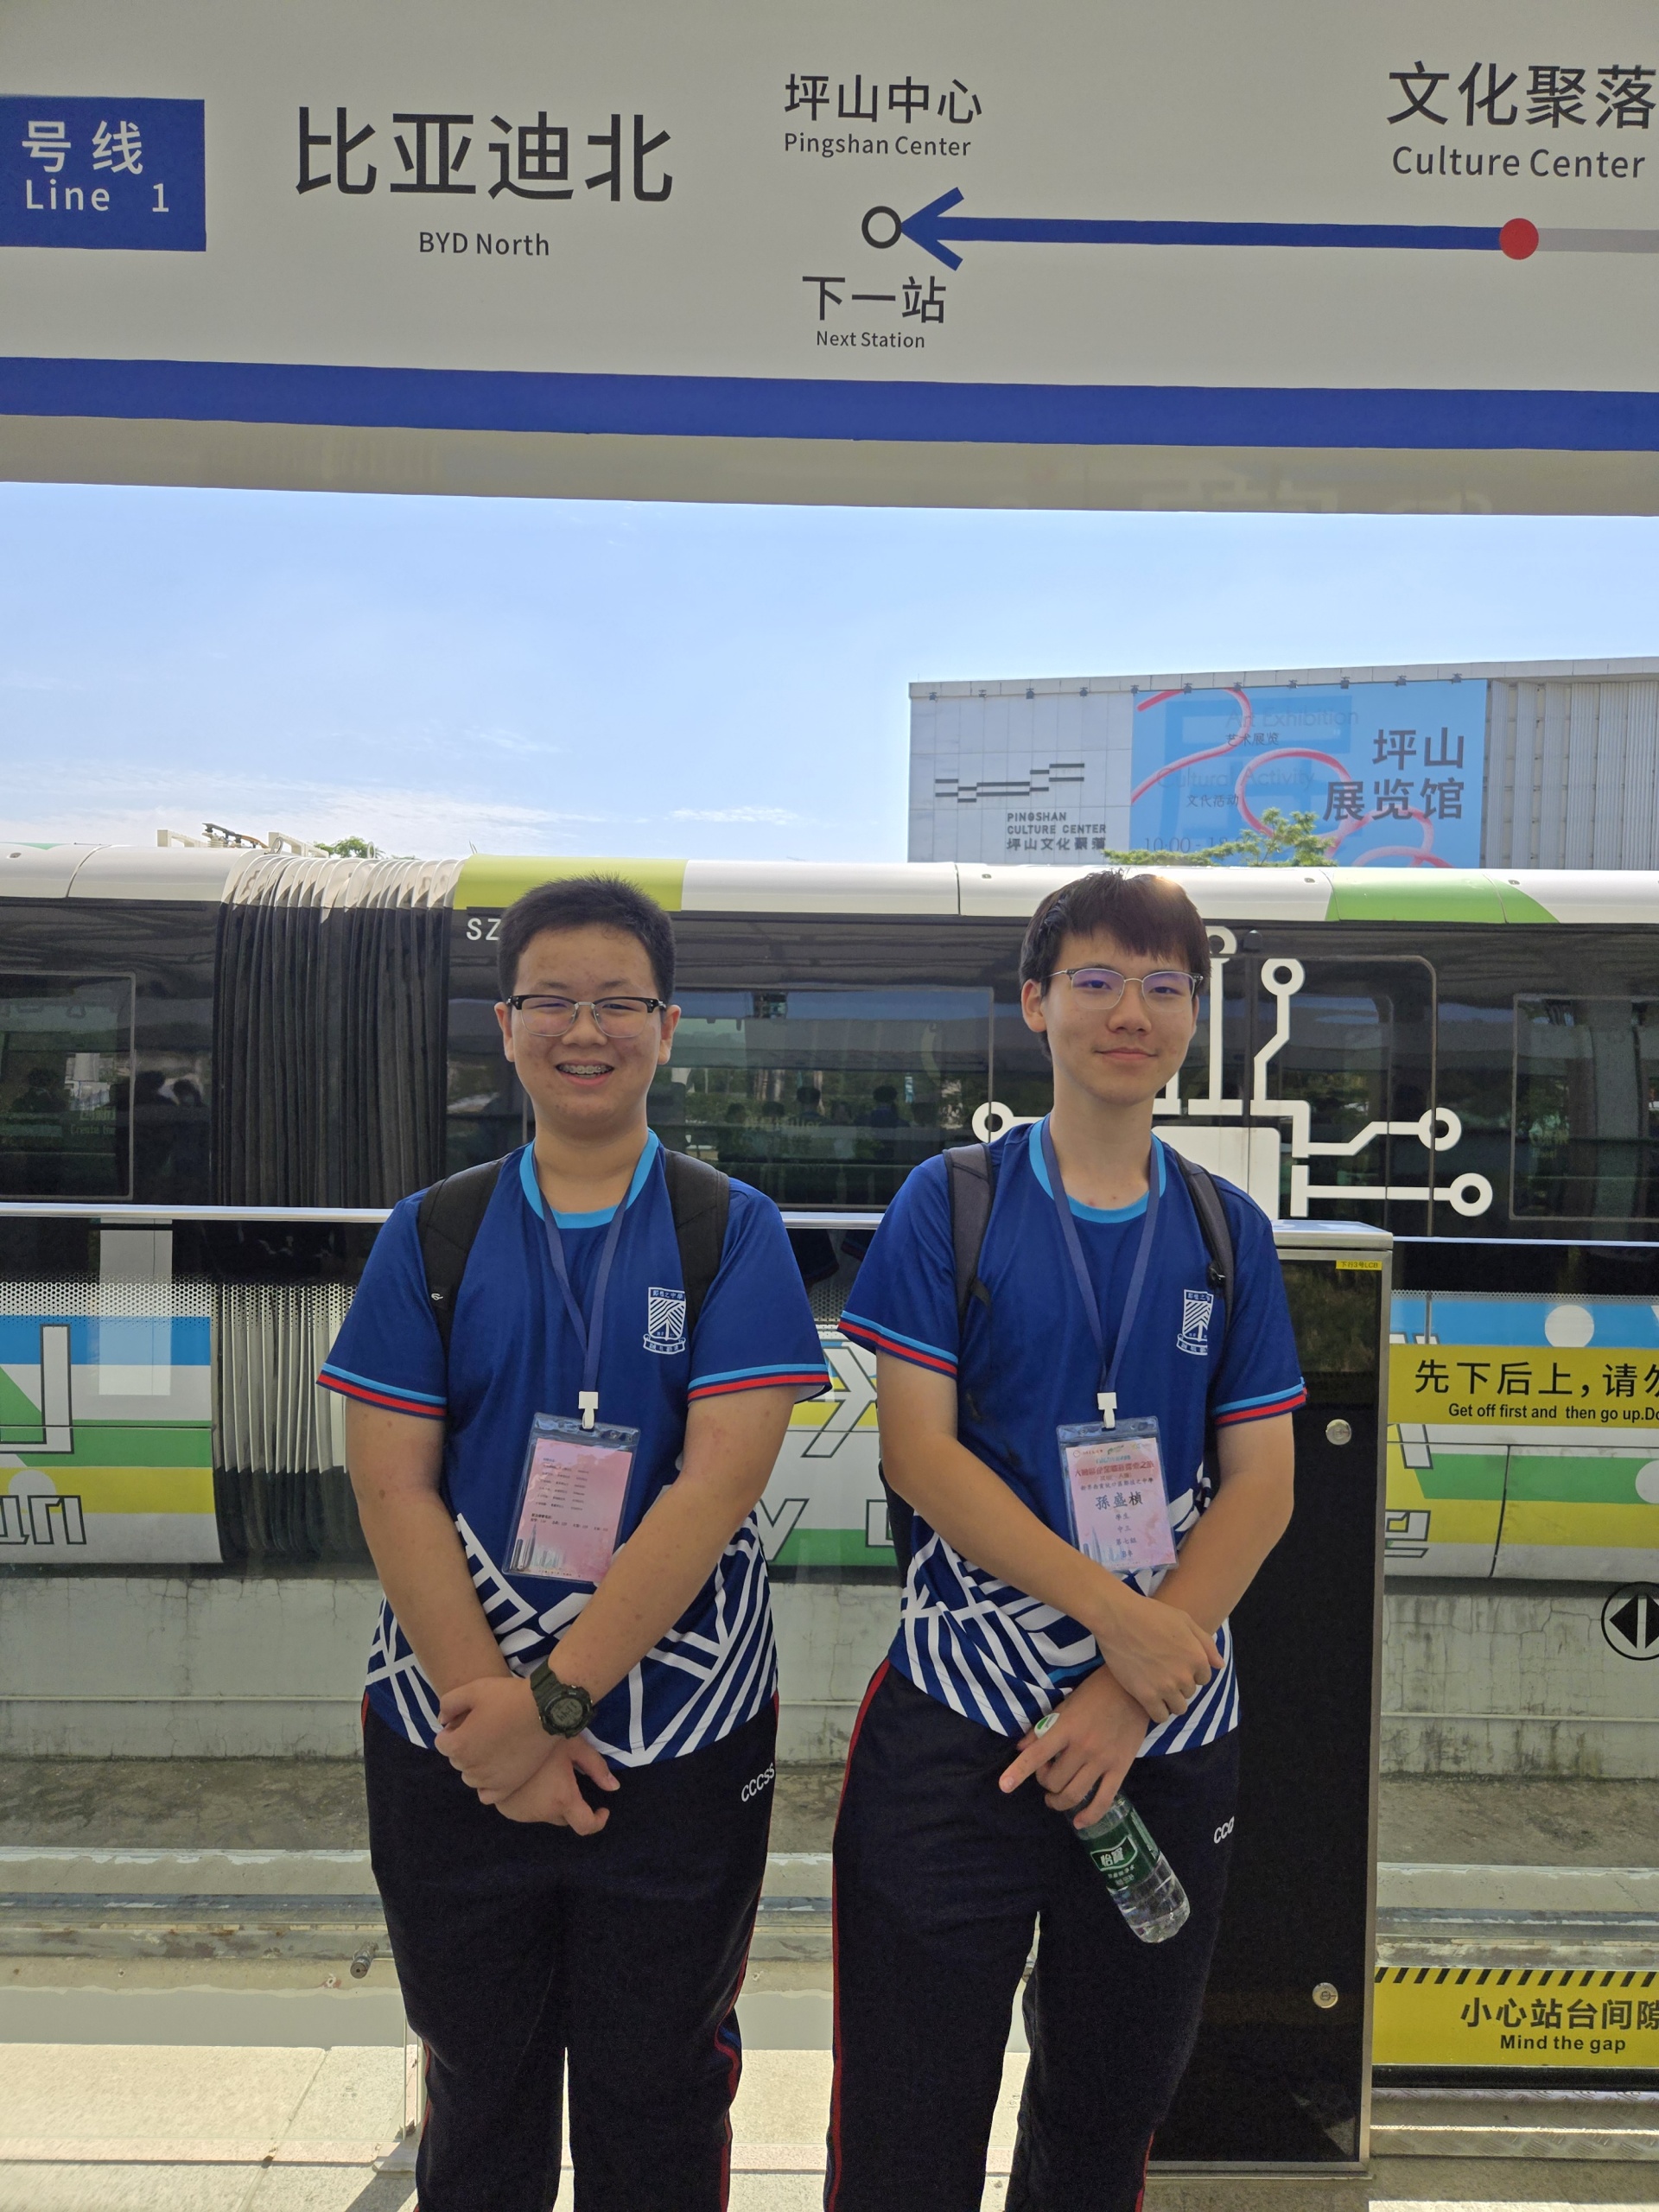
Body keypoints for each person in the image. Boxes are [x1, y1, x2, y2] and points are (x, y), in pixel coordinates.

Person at [318, 874, 829, 2212]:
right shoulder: (431, 1234)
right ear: (506, 1026)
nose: (584, 1029)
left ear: (667, 1028)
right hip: (450, 1735)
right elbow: (391, 1490)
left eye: (618, 1002)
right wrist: (494, 1720)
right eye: (552, 1000)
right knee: (477, 2081)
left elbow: (716, 1488)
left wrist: (546, 1709)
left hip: (681, 1743)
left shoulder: (733, 1233)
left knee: (658, 2089)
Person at [829, 868, 1305, 2212]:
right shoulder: (953, 1202)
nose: (1130, 1013)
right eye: (1096, 980)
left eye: (1163, 986)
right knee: (907, 2125)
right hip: (959, 1729)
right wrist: (1126, 1628)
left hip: (1166, 1740)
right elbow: (919, 1456)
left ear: (1195, 1017)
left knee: (1105, 2117)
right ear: (1036, 1003)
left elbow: (1263, 1486)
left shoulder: (1226, 1231)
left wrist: (1129, 1690)